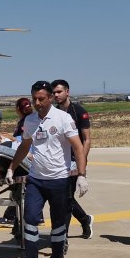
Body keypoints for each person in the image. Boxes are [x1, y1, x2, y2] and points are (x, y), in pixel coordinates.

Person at [6, 80, 87, 258]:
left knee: (58, 226)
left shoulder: (63, 118)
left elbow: (78, 147)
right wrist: (11, 168)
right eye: (34, 98)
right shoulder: (30, 121)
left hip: (60, 180)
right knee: (30, 221)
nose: (37, 102)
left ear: (50, 98)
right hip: (36, 180)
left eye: (41, 98)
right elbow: (24, 146)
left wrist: (82, 175)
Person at [51, 79, 94, 238]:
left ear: (67, 92)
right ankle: (85, 219)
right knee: (63, 199)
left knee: (67, 198)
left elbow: (87, 139)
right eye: (54, 92)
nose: (56, 95)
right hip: (58, 161)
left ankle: (63, 237)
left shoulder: (78, 111)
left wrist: (81, 162)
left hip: (74, 161)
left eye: (59, 92)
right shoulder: (53, 113)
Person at [0, 97, 34, 225]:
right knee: (24, 189)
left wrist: (8, 138)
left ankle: (10, 215)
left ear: (18, 109)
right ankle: (13, 215)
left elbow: (21, 141)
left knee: (18, 187)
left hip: (26, 157)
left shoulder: (25, 122)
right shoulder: (30, 119)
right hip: (30, 156)